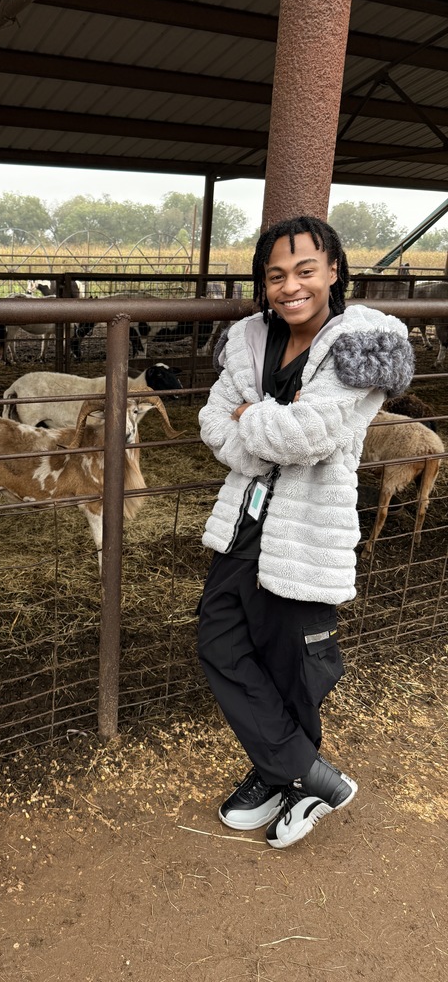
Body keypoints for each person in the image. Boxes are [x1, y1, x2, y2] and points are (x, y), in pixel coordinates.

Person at [196, 215, 413, 850]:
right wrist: (265, 427)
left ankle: (288, 776)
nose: (290, 286)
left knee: (292, 660)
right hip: (244, 518)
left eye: (305, 270)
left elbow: (308, 435)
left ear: (334, 271)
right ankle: (306, 774)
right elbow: (214, 421)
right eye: (275, 275)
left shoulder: (362, 344)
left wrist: (254, 419)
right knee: (220, 639)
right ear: (264, 283)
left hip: (308, 525)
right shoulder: (249, 339)